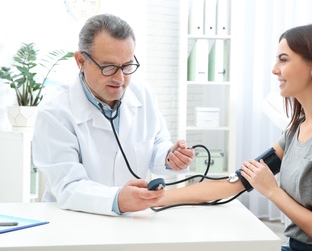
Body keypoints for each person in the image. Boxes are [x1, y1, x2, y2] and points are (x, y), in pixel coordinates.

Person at [156, 23, 312, 250]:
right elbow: (235, 183)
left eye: (284, 59)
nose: (275, 69)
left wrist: (271, 190)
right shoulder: (297, 128)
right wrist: (157, 199)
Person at [32, 14, 195, 216]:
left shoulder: (143, 94)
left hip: (132, 219)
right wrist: (117, 199)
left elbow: (156, 142)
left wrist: (169, 157)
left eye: (127, 66)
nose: (120, 78)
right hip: (73, 221)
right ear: (81, 60)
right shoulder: (55, 111)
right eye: (109, 67)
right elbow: (67, 186)